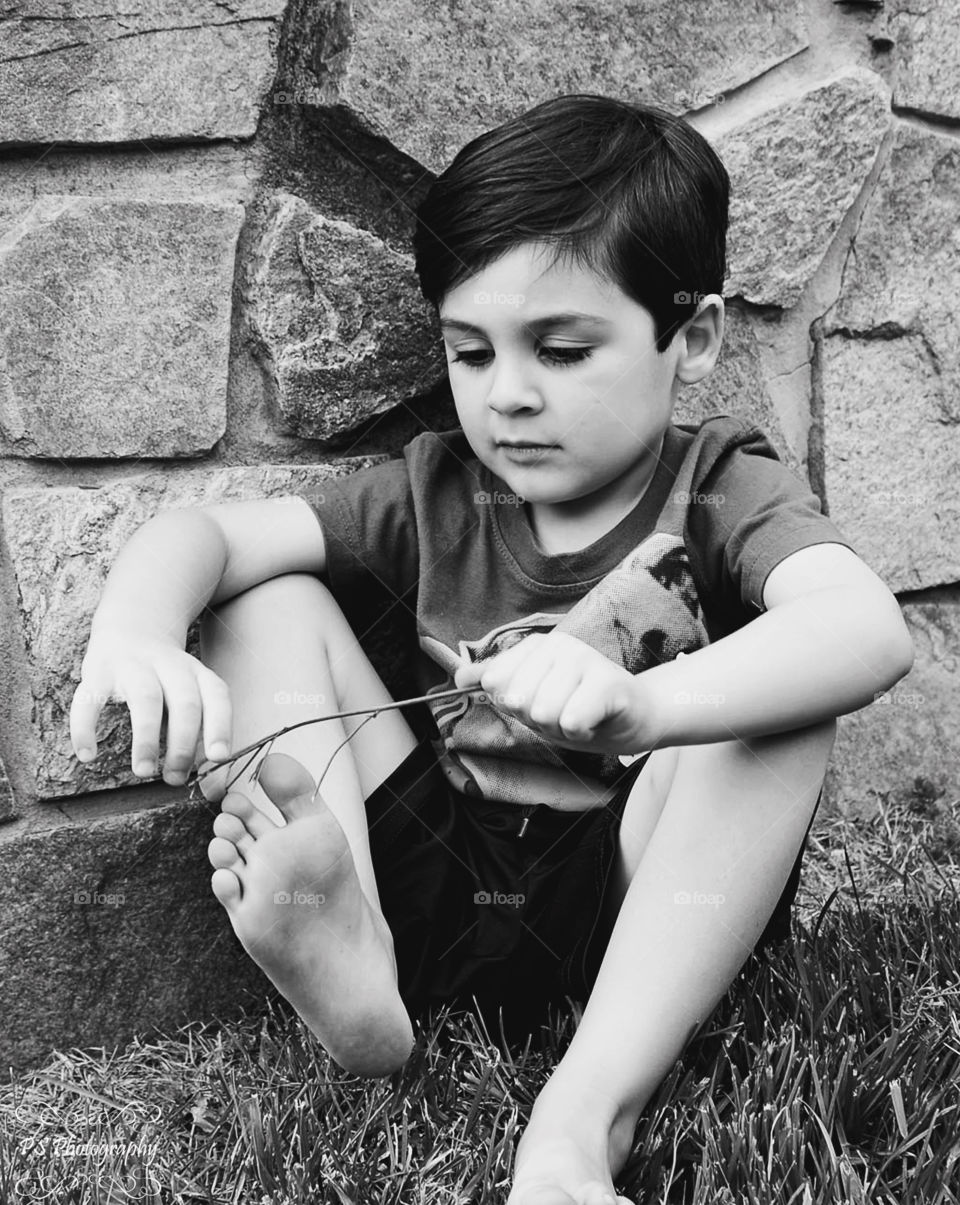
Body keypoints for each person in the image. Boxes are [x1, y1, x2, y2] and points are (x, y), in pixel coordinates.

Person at [70, 94, 914, 1205]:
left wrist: (648, 708)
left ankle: (579, 1116)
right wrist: (134, 628)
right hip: (433, 870)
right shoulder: (434, 489)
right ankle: (355, 956)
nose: (508, 393)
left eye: (562, 349)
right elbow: (210, 539)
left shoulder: (722, 487)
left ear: (693, 336)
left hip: (631, 908)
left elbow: (864, 629)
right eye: (471, 351)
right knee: (262, 594)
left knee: (780, 692)